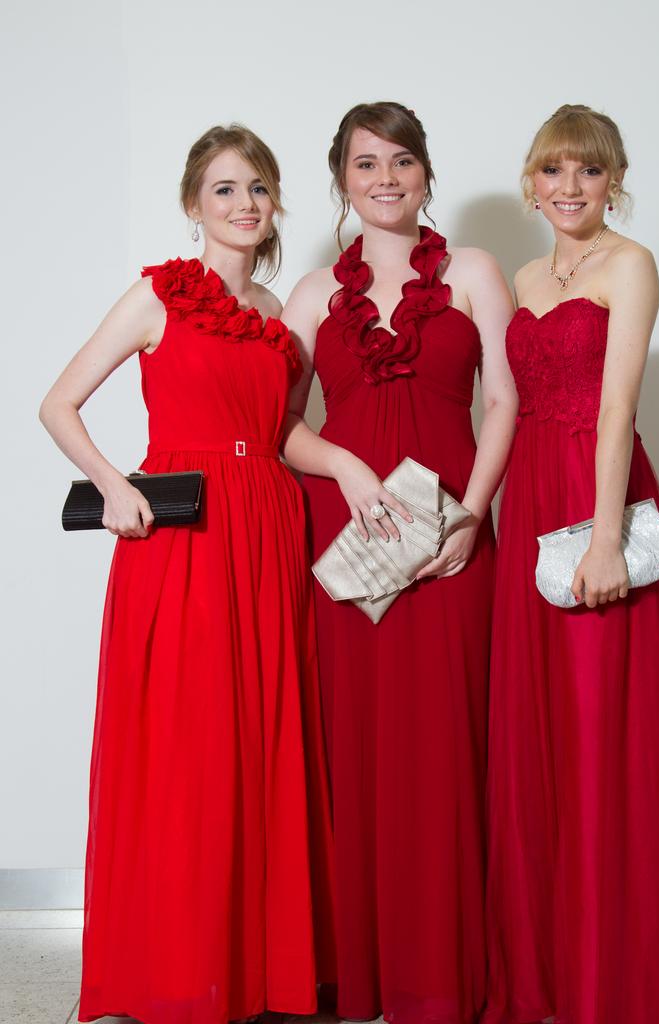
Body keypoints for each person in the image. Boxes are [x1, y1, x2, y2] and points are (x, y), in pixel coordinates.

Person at [39, 124, 335, 1024]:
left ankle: (258, 971)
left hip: (268, 528)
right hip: (185, 536)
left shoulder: (284, 316)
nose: (245, 204)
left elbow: (283, 433)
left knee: (261, 744)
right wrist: (112, 481)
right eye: (225, 190)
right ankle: (175, 968)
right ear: (194, 204)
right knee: (186, 749)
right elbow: (58, 402)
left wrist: (351, 468)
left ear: (274, 204)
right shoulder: (156, 295)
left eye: (258, 189)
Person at [485, 103, 659, 1024]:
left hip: (595, 492)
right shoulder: (525, 273)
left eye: (589, 172)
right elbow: (504, 402)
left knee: (610, 731)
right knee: (544, 734)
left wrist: (606, 537)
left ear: (614, 182)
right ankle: (553, 972)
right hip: (528, 492)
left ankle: (627, 978)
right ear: (531, 181)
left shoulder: (630, 265)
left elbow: (617, 407)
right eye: (554, 171)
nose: (570, 189)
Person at [280, 101, 517, 1024]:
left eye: (403, 160)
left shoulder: (474, 271)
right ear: (341, 180)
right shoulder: (307, 295)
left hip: (451, 533)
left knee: (447, 750)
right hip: (348, 544)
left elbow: (502, 400)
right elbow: (280, 423)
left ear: (426, 173)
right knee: (356, 748)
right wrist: (341, 462)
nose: (386, 177)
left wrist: (473, 515)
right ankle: (361, 970)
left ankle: (443, 972)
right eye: (366, 163)